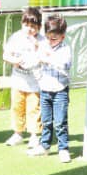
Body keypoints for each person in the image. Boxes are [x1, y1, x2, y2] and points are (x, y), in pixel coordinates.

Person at [30, 14, 73, 163]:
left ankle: (63, 148)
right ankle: (45, 145)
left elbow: (65, 65)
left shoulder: (65, 49)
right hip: (45, 89)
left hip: (60, 89)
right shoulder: (44, 45)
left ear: (62, 36)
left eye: (54, 38)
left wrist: (49, 58)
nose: (50, 41)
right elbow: (36, 60)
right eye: (48, 37)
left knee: (60, 122)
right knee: (46, 120)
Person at [3, 7, 43, 147]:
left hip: (35, 83)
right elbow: (6, 55)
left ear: (39, 27)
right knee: (17, 108)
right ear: (22, 24)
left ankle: (34, 135)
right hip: (18, 82)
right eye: (26, 25)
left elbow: (46, 56)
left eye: (33, 26)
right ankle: (18, 134)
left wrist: (38, 47)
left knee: (34, 109)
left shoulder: (42, 40)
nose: (29, 29)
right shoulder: (16, 37)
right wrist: (14, 61)